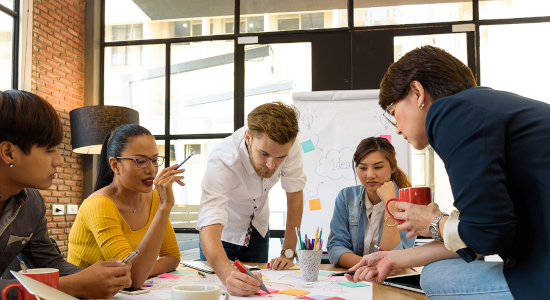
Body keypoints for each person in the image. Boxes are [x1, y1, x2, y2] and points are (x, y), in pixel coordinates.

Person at [346, 45, 550, 299]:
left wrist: (434, 222)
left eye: (392, 113)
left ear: (418, 92)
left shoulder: (451, 111)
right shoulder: (486, 106)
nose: (397, 129)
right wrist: (391, 258)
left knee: (437, 277)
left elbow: (486, 235)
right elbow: (479, 234)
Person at [0, 90, 132, 300]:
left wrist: (95, 277)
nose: (59, 161)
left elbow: (50, 264)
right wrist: (70, 286)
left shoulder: (31, 203)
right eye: (50, 149)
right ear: (8, 153)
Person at [197, 101, 306, 296]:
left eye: (280, 157)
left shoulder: (290, 144)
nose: (272, 165)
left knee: (254, 293)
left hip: (258, 228)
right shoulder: (223, 159)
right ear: (248, 137)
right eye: (264, 153)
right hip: (220, 234)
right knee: (221, 291)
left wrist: (289, 251)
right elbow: (209, 221)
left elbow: (294, 194)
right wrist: (226, 273)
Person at [67, 124, 182, 288]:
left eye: (155, 160)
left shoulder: (154, 198)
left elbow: (172, 257)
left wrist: (140, 270)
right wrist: (165, 208)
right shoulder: (99, 205)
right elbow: (133, 279)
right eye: (140, 161)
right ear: (114, 165)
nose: (151, 169)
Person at [327, 137, 415, 270]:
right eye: (362, 168)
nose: (370, 175)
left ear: (392, 167)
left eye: (378, 167)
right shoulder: (346, 197)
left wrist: (390, 203)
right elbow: (336, 248)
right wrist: (372, 265)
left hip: (392, 282)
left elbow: (396, 259)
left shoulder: (409, 203)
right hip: (356, 279)